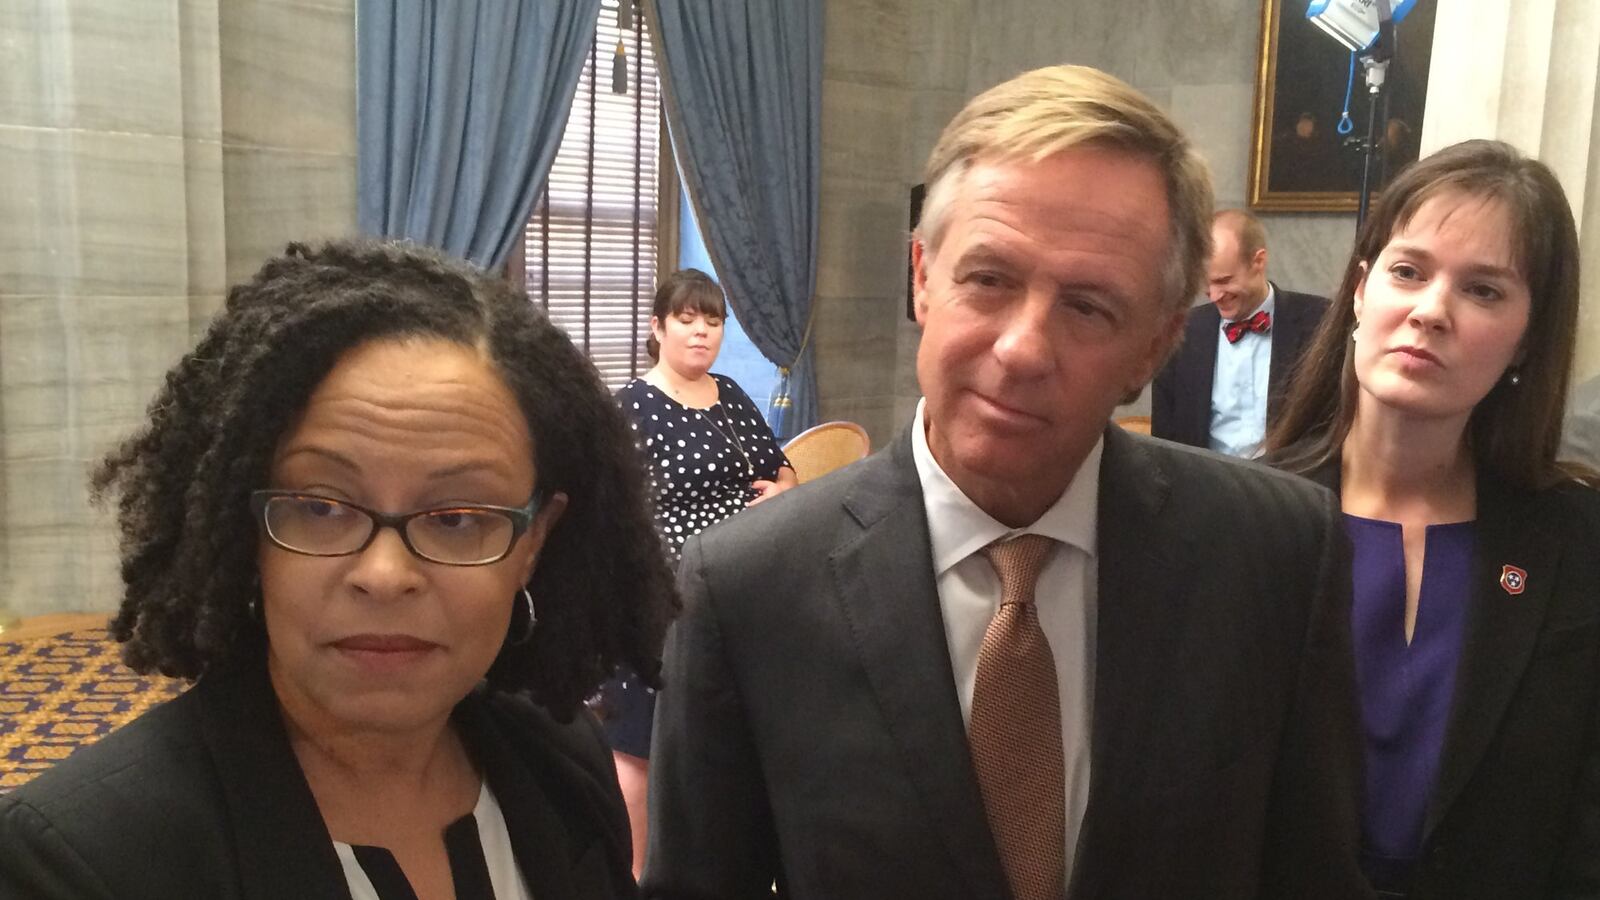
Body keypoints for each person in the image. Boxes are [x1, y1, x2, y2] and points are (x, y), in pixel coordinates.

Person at [643, 65, 1366, 900]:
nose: (1023, 348)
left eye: (1089, 306)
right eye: (988, 279)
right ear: (922, 277)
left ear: (1157, 347)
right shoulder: (745, 587)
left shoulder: (1278, 554)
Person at [0, 240, 678, 899]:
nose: (384, 576)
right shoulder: (86, 857)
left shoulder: (564, 768)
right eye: (321, 508)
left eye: (457, 518)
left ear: (532, 544)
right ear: (247, 533)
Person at [1265, 139, 1600, 899]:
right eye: (1408, 271)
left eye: (1484, 291)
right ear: (1360, 292)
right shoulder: (1245, 522)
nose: (1430, 312)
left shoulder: (1577, 541)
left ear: (1529, 334)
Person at [598, 268, 796, 875]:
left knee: (723, 738)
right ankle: (634, 874)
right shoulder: (630, 406)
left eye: (712, 321)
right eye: (686, 319)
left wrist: (782, 491)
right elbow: (607, 512)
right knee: (639, 747)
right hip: (662, 596)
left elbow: (781, 468)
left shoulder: (731, 393)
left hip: (741, 587)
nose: (701, 332)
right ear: (658, 328)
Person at [1151, 209, 1329, 455]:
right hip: (1204, 484)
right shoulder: (1182, 333)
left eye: (1224, 281)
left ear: (1258, 261)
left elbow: (1331, 427)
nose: (1214, 296)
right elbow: (1165, 443)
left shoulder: (1319, 322)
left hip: (1289, 484)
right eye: (1207, 283)